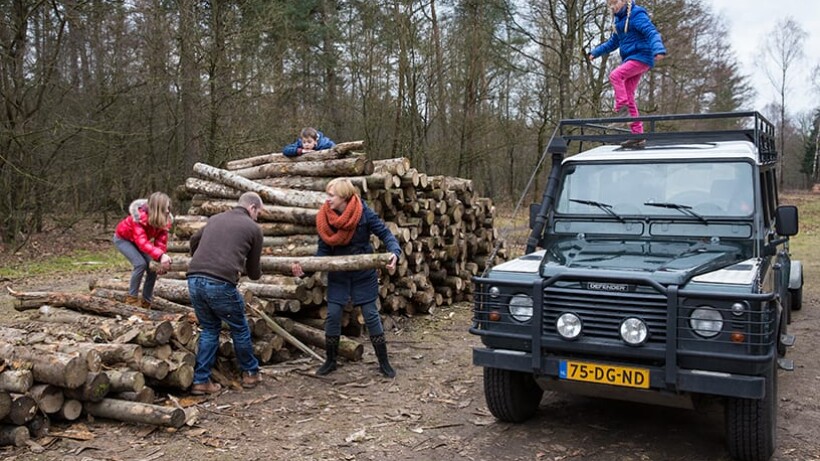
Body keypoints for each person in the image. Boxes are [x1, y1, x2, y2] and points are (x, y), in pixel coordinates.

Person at [291, 178, 401, 378]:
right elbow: (322, 253)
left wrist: (394, 252)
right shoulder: (325, 218)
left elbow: (385, 234)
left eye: (331, 195)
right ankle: (330, 361)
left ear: (344, 197)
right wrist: (305, 271)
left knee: (370, 315)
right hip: (339, 275)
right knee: (332, 315)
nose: (327, 199)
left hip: (363, 273)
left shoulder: (364, 213)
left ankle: (384, 363)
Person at [186, 192, 265, 395]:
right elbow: (254, 271)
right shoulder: (253, 228)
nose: (258, 217)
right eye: (258, 213)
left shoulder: (215, 219)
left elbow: (195, 239)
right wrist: (245, 270)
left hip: (194, 278)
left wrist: (201, 258)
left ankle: (201, 380)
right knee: (239, 327)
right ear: (252, 208)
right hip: (220, 282)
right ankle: (250, 373)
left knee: (210, 328)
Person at [588, 0, 666, 147]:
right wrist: (595, 52)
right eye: (610, 5)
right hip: (631, 59)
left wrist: (658, 49)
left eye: (615, 3)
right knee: (629, 95)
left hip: (643, 56)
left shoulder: (637, 14)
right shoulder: (618, 21)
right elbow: (613, 42)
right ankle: (638, 136)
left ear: (624, 1)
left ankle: (622, 109)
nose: (613, 7)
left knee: (616, 75)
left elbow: (651, 32)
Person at [113, 192, 173, 308]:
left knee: (152, 268)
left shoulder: (165, 220)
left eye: (168, 207)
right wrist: (160, 256)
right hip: (123, 239)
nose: (167, 211)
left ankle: (146, 301)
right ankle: (131, 299)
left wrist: (159, 262)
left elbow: (160, 242)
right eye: (165, 207)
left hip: (139, 242)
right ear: (157, 208)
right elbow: (142, 242)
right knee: (140, 264)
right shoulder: (139, 218)